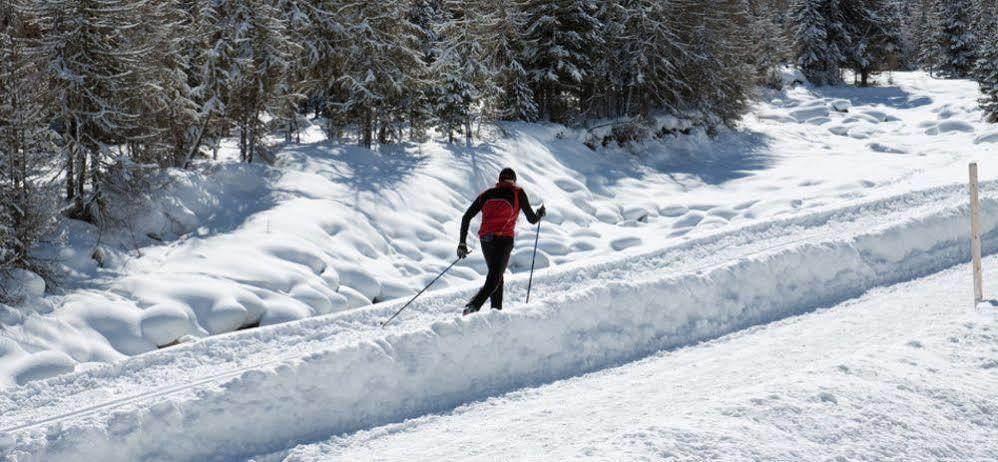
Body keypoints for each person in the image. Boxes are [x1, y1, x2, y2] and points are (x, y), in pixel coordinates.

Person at [458, 167, 545, 315]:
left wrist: (462, 243)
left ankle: (495, 312)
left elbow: (466, 217)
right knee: (495, 276)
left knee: (496, 275)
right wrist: (539, 214)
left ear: (499, 180)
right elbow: (531, 219)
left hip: (486, 240)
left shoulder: (487, 194)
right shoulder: (518, 192)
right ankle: (472, 307)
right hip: (504, 240)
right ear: (514, 180)